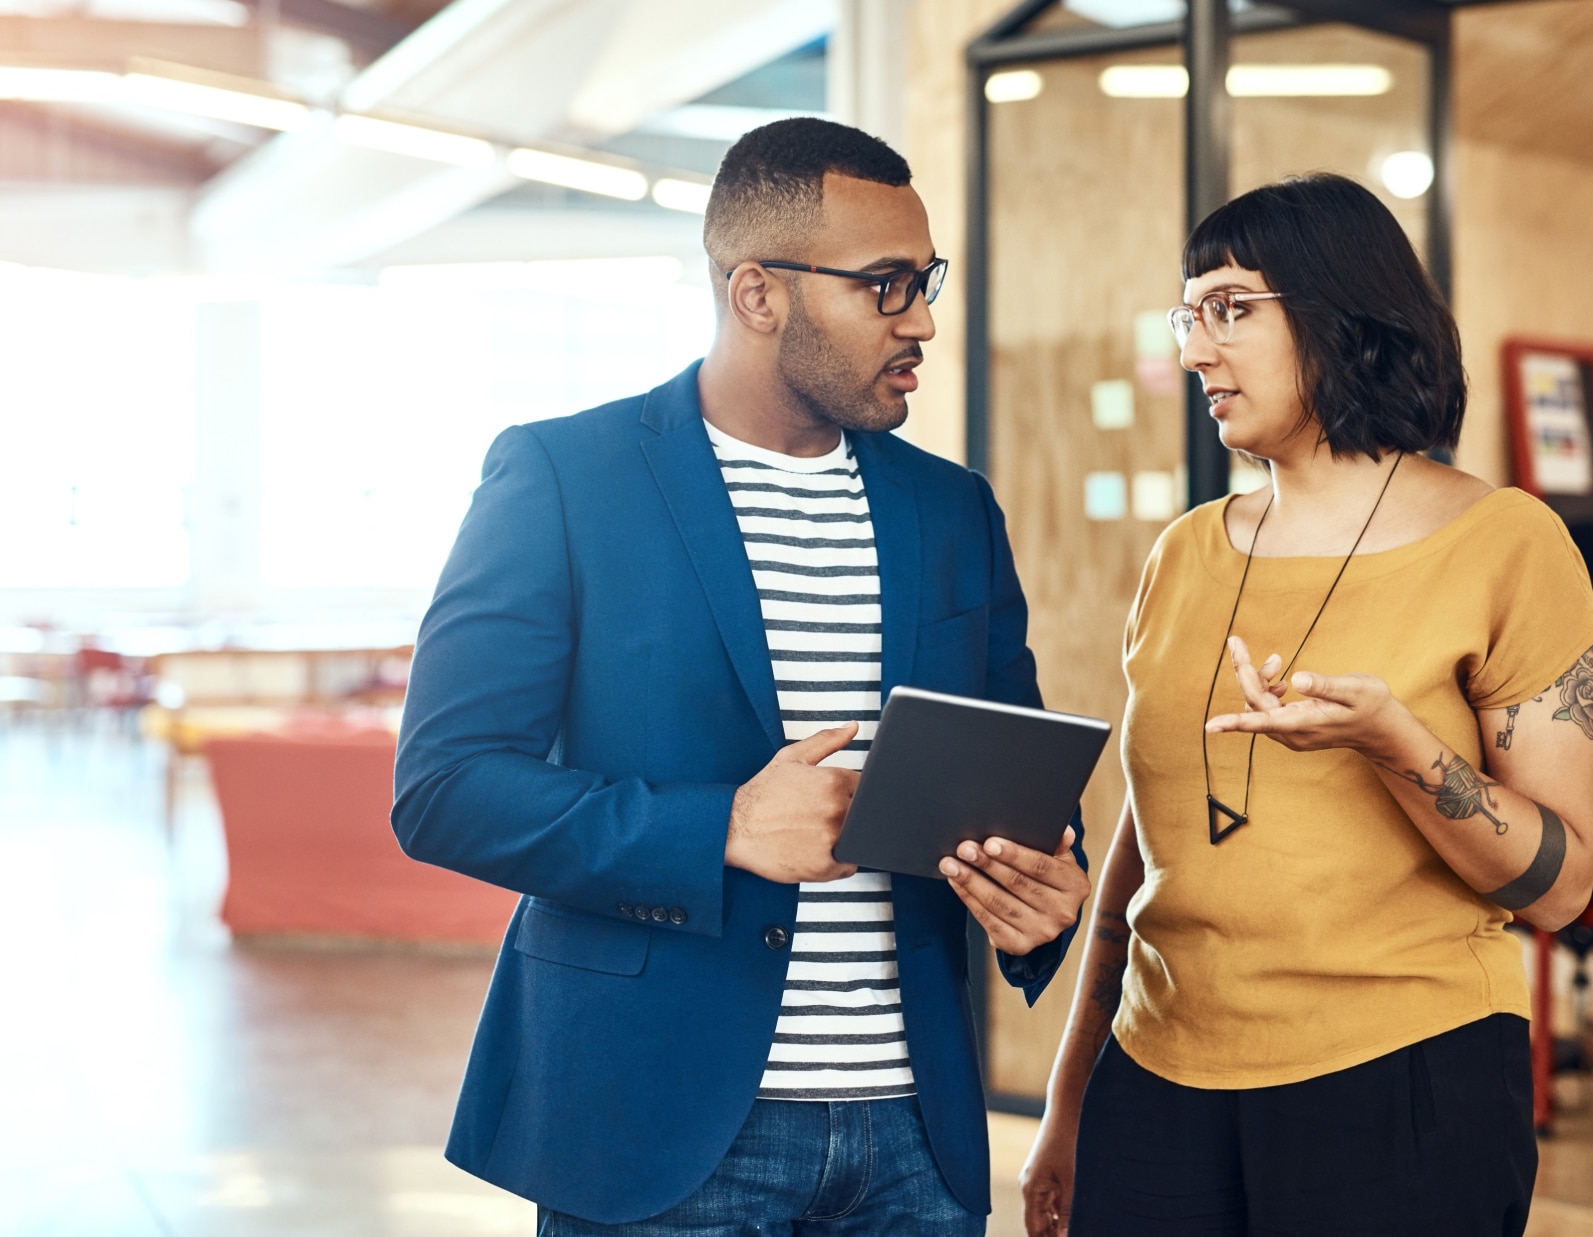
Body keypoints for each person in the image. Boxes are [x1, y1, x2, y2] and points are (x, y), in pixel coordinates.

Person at [392, 116, 1092, 1236]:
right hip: (656, 1129)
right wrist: (718, 826)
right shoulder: (565, 478)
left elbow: (1013, 779)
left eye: (926, 283)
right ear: (758, 294)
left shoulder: (951, 510)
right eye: (885, 286)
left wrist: (1044, 895)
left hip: (915, 1141)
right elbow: (445, 790)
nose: (919, 321)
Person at [1020, 174, 1593, 1237]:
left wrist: (1397, 747)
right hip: (1158, 1081)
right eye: (1188, 313)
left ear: (1344, 316)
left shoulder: (1507, 544)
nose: (1196, 349)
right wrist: (1070, 1100)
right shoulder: (1183, 553)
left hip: (1402, 1087)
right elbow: (1148, 851)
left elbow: (1561, 885)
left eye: (1231, 308)